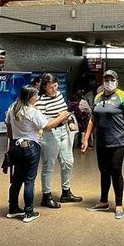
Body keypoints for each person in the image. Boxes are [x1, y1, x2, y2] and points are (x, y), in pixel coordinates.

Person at [6, 85, 69, 223]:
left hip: (17, 146)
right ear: (31, 97)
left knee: (17, 180)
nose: (37, 97)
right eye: (36, 95)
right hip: (30, 147)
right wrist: (62, 117)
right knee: (29, 181)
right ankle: (29, 212)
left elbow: (8, 128)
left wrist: (12, 143)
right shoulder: (32, 112)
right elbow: (47, 126)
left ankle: (13, 209)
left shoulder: (13, 109)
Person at [82, 70, 124, 219]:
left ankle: (118, 204)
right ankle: (103, 201)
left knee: (116, 171)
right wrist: (86, 138)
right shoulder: (98, 97)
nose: (109, 82)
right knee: (104, 171)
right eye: (106, 79)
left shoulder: (123, 96)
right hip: (101, 142)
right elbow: (92, 119)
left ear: (117, 81)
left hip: (117, 141)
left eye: (112, 79)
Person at [36, 73, 81, 207]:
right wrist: (61, 117)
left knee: (68, 162)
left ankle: (66, 192)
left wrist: (69, 121)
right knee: (48, 166)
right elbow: (46, 125)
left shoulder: (59, 95)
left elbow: (65, 112)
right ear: (44, 87)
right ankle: (46, 196)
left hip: (63, 131)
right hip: (49, 134)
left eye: (56, 85)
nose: (54, 89)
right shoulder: (40, 101)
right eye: (51, 87)